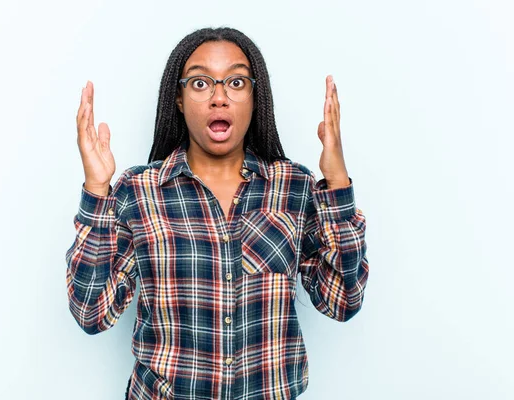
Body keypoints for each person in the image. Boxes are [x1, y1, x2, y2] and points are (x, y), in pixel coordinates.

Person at [66, 27, 369, 400]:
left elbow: (343, 300)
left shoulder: (293, 186)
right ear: (178, 98)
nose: (219, 97)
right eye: (200, 83)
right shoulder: (138, 192)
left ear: (255, 97)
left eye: (236, 82)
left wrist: (337, 181)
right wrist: (97, 191)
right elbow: (91, 312)